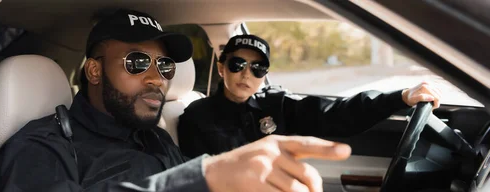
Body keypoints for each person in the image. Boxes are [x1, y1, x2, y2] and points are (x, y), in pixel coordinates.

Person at [0, 9, 352, 192]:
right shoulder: (39, 148)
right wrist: (203, 178)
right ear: (95, 72)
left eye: (164, 65)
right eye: (136, 63)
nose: (157, 77)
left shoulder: (154, 135)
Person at [177, 34, 443, 158]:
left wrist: (402, 97)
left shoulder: (277, 104)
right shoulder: (197, 115)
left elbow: (338, 114)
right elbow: (196, 176)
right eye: (237, 65)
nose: (247, 74)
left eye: (258, 69)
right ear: (222, 68)